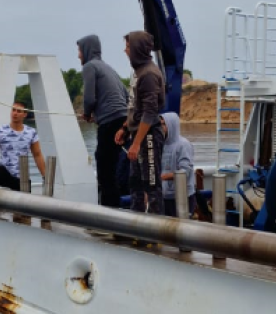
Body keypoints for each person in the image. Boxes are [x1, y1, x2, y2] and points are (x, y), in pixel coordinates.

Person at [115, 31, 165, 214]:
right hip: (138, 134)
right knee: (135, 183)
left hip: (149, 136)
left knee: (151, 185)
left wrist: (136, 144)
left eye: (128, 47)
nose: (125, 51)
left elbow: (150, 112)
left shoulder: (149, 74)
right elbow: (135, 107)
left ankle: (156, 234)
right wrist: (125, 129)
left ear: (137, 49)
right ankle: (136, 227)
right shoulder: (137, 72)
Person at [77, 34, 129, 208]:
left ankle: (108, 214)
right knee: (112, 167)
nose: (78, 55)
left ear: (86, 50)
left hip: (109, 123)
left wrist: (87, 113)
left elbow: (89, 97)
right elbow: (126, 95)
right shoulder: (109, 68)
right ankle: (115, 208)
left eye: (79, 50)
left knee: (104, 169)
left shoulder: (89, 67)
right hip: (123, 121)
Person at [0, 102, 46, 190]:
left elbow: (37, 155)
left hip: (22, 176)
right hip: (4, 171)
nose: (15, 113)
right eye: (13, 110)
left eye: (19, 111)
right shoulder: (0, 130)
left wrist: (45, 175)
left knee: (24, 199)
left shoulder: (31, 132)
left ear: (24, 114)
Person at [159, 112, 196, 217]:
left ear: (172, 125)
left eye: (163, 124)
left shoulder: (183, 145)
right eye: (159, 124)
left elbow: (185, 172)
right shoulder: (160, 145)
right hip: (164, 197)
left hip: (183, 197)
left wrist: (162, 177)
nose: (161, 127)